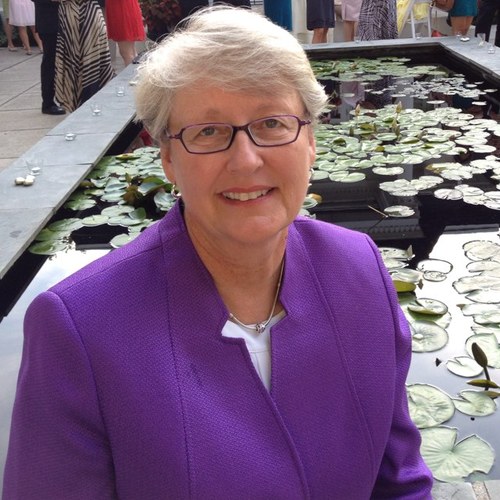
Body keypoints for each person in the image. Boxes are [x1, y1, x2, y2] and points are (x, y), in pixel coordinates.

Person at [3, 6, 433, 498]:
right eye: (208, 132)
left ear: (311, 138)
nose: (246, 159)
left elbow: (401, 482)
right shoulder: (80, 328)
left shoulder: (360, 269)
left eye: (272, 122)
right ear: (166, 156)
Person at [54, 0, 114, 112]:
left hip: (85, 15)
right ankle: (86, 109)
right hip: (74, 17)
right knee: (81, 63)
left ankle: (87, 109)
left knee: (92, 61)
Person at [31, 0, 65, 115]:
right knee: (50, 63)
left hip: (64, 21)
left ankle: (65, 97)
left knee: (63, 63)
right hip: (49, 23)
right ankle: (48, 103)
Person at [105, 0, 145, 66]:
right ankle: (137, 73)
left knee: (127, 53)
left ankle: (132, 75)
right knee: (130, 51)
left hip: (122, 9)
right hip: (124, 7)